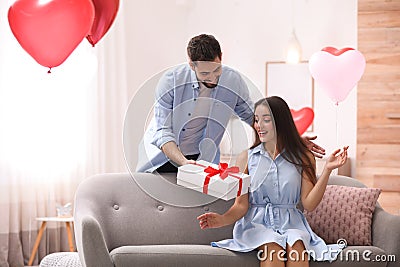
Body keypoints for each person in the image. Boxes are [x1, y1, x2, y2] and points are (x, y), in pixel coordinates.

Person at [136, 34, 325, 173]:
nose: (212, 79)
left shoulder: (232, 81)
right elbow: (163, 132)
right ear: (191, 65)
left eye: (216, 70)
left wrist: (293, 140)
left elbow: (254, 117)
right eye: (204, 74)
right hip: (164, 156)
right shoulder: (170, 82)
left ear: (221, 56)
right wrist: (183, 163)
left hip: (203, 159)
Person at [197, 96, 349, 266]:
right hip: (256, 225)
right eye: (256, 120)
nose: (259, 126)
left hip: (292, 224)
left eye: (266, 120)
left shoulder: (304, 157)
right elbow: (241, 205)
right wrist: (222, 220)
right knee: (273, 249)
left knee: (297, 252)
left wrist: (327, 169)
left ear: (280, 123)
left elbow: (309, 204)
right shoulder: (246, 158)